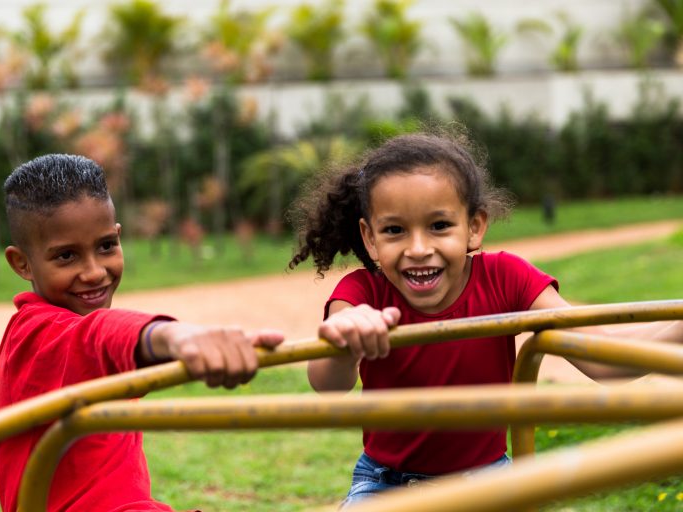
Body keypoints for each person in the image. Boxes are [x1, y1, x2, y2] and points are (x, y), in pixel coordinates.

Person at [287, 129, 683, 507]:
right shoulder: (364, 293)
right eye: (395, 230)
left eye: (439, 226)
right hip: (388, 483)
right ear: (370, 237)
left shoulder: (506, 278)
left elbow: (600, 355)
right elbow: (327, 384)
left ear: (474, 227)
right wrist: (344, 341)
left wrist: (677, 328)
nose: (419, 248)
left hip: (488, 480)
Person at [0, 154, 284, 512]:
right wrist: (174, 337)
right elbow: (96, 336)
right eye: (66, 256)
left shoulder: (78, 333)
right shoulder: (33, 335)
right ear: (21, 263)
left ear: (118, 236)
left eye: (105, 247)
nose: (94, 272)